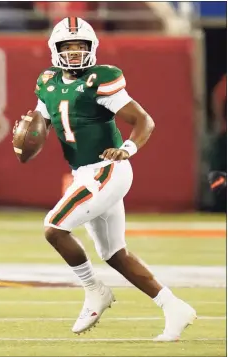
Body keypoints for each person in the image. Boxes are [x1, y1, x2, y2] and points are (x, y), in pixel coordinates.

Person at [15, 17, 196, 341]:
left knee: (54, 228)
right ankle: (174, 307)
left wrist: (127, 148)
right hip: (84, 173)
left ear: (92, 49)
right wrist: (27, 139)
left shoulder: (100, 79)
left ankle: (93, 289)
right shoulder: (47, 81)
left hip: (106, 169)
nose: (74, 53)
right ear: (55, 50)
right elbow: (41, 120)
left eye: (80, 47)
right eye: (67, 47)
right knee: (115, 255)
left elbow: (143, 120)